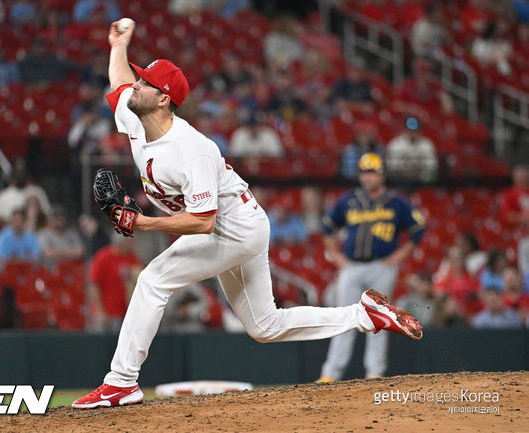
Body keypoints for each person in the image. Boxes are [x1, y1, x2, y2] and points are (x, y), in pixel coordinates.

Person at [71, 21, 423, 410]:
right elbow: (118, 82)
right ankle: (365, 315)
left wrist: (143, 224)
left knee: (153, 280)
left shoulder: (192, 149)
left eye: (146, 82)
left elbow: (202, 222)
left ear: (163, 100)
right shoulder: (137, 116)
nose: (136, 85)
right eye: (141, 78)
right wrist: (118, 45)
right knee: (264, 326)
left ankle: (121, 382)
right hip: (236, 226)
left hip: (233, 228)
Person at [317, 152, 425, 383]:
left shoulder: (397, 202)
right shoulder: (349, 200)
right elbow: (327, 227)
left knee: (379, 319)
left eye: (373, 172)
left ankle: (375, 373)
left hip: (381, 267)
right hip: (352, 266)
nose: (368, 177)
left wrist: (398, 257)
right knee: (344, 317)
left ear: (383, 174)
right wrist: (336, 256)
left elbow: (418, 230)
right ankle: (330, 374)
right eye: (365, 172)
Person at [87, 236, 142, 333]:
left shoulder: (131, 257)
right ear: (120, 243)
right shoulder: (103, 257)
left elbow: (141, 274)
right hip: (108, 312)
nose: (133, 245)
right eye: (129, 243)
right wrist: (99, 311)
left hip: (126, 312)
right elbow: (94, 286)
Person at [386, 117, 438, 183]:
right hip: (400, 182)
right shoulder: (396, 144)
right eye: (410, 130)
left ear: (419, 131)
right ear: (405, 130)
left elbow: (432, 168)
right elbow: (392, 169)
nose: (412, 133)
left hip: (421, 182)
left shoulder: (426, 145)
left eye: (415, 130)